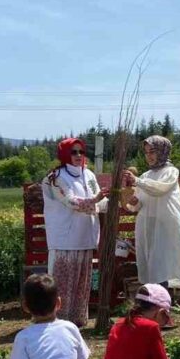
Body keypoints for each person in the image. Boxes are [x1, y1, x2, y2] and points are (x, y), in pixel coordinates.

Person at [41, 137, 108, 327]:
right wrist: (95, 201)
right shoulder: (55, 178)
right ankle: (56, 323)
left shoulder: (89, 175)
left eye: (81, 151)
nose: (78, 155)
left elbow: (101, 203)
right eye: (73, 152)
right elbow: (70, 202)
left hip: (85, 236)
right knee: (62, 283)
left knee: (81, 284)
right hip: (64, 239)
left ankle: (77, 321)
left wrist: (99, 201)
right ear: (64, 154)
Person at [123, 135, 180, 309]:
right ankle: (152, 308)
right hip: (147, 226)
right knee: (149, 265)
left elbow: (158, 189)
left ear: (162, 151)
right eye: (146, 152)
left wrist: (137, 181)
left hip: (165, 225)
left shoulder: (171, 171)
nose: (149, 156)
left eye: (152, 151)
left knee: (162, 265)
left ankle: (163, 308)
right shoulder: (146, 175)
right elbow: (140, 202)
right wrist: (133, 202)